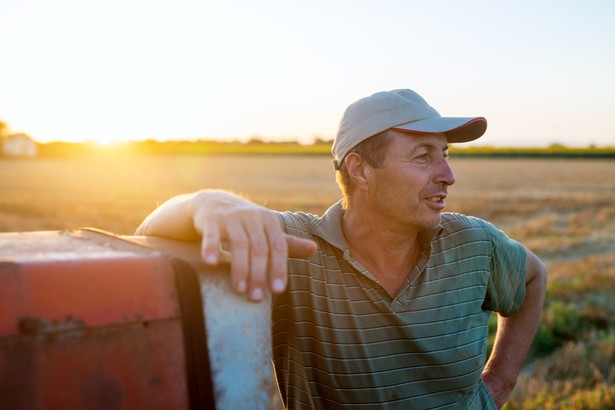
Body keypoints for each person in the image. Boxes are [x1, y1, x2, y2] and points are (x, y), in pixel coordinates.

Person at [136, 89, 547, 409]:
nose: (448, 175)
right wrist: (207, 203)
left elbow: (534, 276)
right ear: (360, 169)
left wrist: (497, 386)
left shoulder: (474, 243)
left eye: (445, 155)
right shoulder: (296, 248)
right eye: (424, 157)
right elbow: (147, 237)